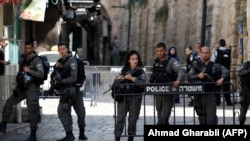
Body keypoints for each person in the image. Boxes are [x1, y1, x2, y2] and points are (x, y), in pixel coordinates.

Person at [0, 40, 44, 141]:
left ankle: (33, 134)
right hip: (22, 87)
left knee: (32, 110)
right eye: (26, 48)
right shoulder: (23, 58)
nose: (27, 50)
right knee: (9, 103)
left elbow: (41, 74)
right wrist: (17, 85)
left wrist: (30, 71)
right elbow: (21, 73)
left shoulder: (37, 60)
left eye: (29, 48)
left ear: (32, 48)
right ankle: (3, 125)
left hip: (32, 88)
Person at [188, 46, 229, 125]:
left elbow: (226, 71)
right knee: (202, 120)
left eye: (207, 53)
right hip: (198, 95)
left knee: (211, 120)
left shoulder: (215, 65)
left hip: (210, 94)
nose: (205, 54)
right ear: (200, 54)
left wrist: (222, 79)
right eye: (203, 53)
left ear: (210, 54)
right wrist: (198, 76)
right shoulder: (196, 65)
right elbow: (189, 76)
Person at [114, 50, 146, 141]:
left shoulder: (141, 72)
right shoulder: (124, 70)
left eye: (136, 59)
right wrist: (118, 78)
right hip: (123, 97)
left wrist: (132, 78)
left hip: (135, 97)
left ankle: (130, 138)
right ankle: (117, 137)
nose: (135, 61)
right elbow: (117, 81)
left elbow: (142, 84)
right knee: (120, 119)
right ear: (129, 60)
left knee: (133, 120)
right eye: (133, 59)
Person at [149, 42, 184, 125]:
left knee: (164, 117)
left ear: (165, 51)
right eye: (157, 51)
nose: (159, 53)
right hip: (158, 93)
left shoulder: (171, 61)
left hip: (168, 93)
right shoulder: (156, 61)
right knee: (160, 117)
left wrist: (178, 80)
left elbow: (180, 70)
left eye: (161, 50)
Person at [53, 42, 78, 141]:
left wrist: (62, 81)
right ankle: (69, 134)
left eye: (63, 49)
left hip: (69, 89)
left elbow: (73, 77)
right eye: (60, 49)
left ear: (67, 49)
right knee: (65, 111)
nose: (61, 51)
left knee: (61, 111)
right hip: (65, 89)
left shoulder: (71, 61)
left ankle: (70, 134)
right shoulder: (62, 61)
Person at [67, 50, 88, 140]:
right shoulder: (60, 62)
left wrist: (80, 83)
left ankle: (81, 133)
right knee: (66, 113)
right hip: (66, 91)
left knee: (81, 112)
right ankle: (69, 134)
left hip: (75, 90)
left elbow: (82, 76)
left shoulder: (78, 63)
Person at [211, 39, 233, 106]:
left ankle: (217, 102)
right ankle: (228, 102)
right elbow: (230, 60)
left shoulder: (216, 51)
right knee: (226, 87)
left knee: (217, 87)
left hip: (218, 72)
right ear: (225, 44)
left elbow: (213, 61)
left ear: (219, 44)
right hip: (227, 71)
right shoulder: (229, 52)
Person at [238, 52, 250, 125]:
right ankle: (241, 122)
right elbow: (239, 72)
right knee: (244, 109)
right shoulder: (246, 65)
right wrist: (248, 71)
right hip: (247, 90)